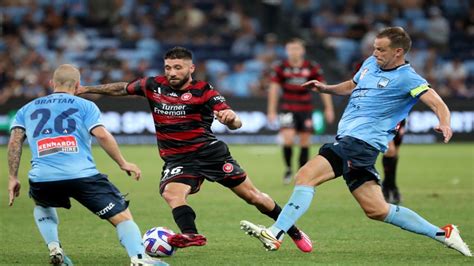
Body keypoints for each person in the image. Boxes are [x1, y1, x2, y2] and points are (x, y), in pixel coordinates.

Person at [239, 27, 472, 256]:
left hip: (361, 142)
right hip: (355, 144)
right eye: (374, 48)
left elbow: (437, 103)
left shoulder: (409, 78)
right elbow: (352, 85)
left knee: (305, 176)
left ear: (398, 52)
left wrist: (445, 122)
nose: (375, 53)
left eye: (381, 50)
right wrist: (325, 89)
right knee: (377, 210)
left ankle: (276, 232)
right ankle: (444, 234)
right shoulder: (370, 64)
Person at [76, 47, 313, 252]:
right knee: (171, 193)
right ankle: (191, 234)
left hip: (209, 153)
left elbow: (234, 122)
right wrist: (86, 89)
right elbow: (121, 88)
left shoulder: (204, 90)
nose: (171, 72)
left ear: (191, 69)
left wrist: (231, 119)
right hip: (177, 158)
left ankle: (292, 231)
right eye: (168, 67)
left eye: (177, 67)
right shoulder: (153, 85)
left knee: (253, 197)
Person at [7, 64, 167, 266]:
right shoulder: (85, 105)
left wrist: (13, 177)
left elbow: (14, 142)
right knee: (123, 217)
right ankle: (139, 258)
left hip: (42, 177)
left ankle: (54, 247)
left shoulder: (26, 109)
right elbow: (101, 134)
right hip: (82, 175)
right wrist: (123, 162)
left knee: (43, 204)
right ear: (77, 85)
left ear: (51, 83)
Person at [267, 38, 335, 184]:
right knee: (288, 139)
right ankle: (288, 168)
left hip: (305, 108)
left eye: (296, 48)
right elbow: (273, 89)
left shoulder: (311, 66)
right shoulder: (280, 67)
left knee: (305, 142)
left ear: (302, 50)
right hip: (287, 108)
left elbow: (323, 86)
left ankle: (301, 171)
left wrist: (329, 108)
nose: (294, 52)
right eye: (291, 49)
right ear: (286, 51)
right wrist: (271, 110)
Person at [382, 119, 406, 204]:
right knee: (390, 151)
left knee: (395, 152)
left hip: (399, 118)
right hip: (386, 118)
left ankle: (390, 187)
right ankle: (389, 188)